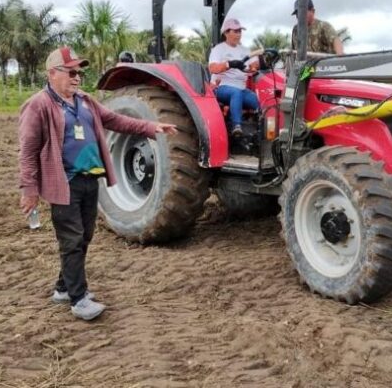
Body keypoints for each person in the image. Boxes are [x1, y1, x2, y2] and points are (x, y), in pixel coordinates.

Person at [18, 46, 177, 321]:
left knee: (84, 237)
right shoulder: (39, 105)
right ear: (52, 74)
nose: (77, 77)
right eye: (71, 72)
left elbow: (115, 120)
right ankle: (79, 300)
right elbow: (28, 151)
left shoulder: (86, 101)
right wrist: (29, 190)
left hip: (90, 180)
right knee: (72, 239)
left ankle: (63, 287)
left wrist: (151, 127)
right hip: (64, 183)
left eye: (79, 72)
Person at [207, 17, 260, 137]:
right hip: (221, 87)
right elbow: (213, 68)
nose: (238, 34)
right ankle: (236, 126)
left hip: (241, 88)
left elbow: (254, 64)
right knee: (236, 93)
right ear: (226, 33)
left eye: (240, 31)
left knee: (260, 101)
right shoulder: (219, 49)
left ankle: (261, 128)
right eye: (235, 31)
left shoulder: (245, 50)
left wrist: (255, 65)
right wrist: (229, 64)